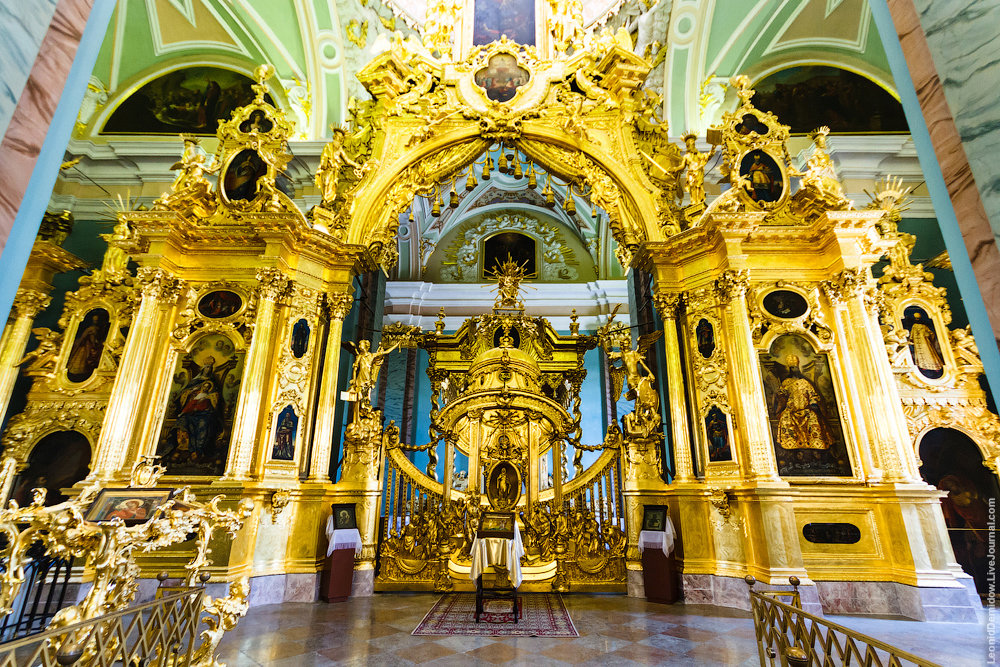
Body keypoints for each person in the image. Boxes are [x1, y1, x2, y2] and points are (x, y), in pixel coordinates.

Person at [774, 354, 832, 450]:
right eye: (792, 368)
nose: (794, 370)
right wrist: (780, 407)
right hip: (791, 412)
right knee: (785, 419)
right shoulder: (786, 383)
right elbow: (781, 398)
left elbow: (813, 395)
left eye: (795, 367)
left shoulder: (805, 382)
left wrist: (813, 404)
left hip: (807, 410)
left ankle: (815, 447)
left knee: (814, 417)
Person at [67, 313, 105, 381]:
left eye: (97, 320)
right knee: (82, 358)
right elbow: (83, 337)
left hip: (92, 345)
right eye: (94, 320)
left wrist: (95, 343)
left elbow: (97, 338)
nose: (95, 321)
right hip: (86, 346)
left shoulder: (98, 329)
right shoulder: (89, 329)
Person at [909, 311, 944, 377]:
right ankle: (923, 366)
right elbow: (911, 335)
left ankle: (935, 367)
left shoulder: (924, 326)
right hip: (918, 344)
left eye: (918, 318)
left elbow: (931, 334)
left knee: (929, 354)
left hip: (925, 343)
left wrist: (928, 335)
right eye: (916, 318)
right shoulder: (914, 326)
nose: (917, 320)